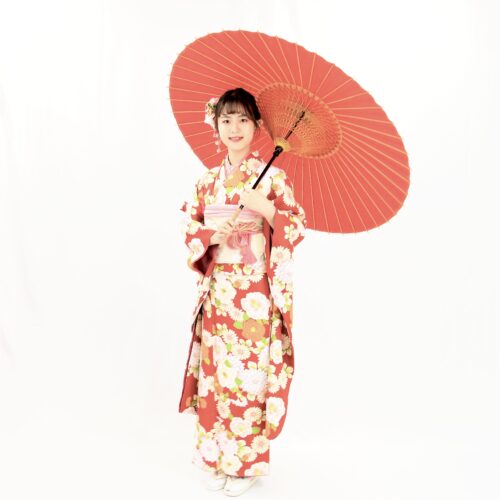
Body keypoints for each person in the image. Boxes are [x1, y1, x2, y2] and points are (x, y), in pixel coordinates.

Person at [179, 87, 307, 496]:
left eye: (243, 120)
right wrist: (212, 235)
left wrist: (267, 208)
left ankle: (246, 463)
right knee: (215, 377)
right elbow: (190, 229)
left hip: (254, 294)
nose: (234, 128)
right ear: (215, 125)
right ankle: (214, 457)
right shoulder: (206, 182)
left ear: (257, 126)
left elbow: (297, 227)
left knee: (249, 378)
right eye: (226, 120)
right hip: (219, 293)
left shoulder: (274, 179)